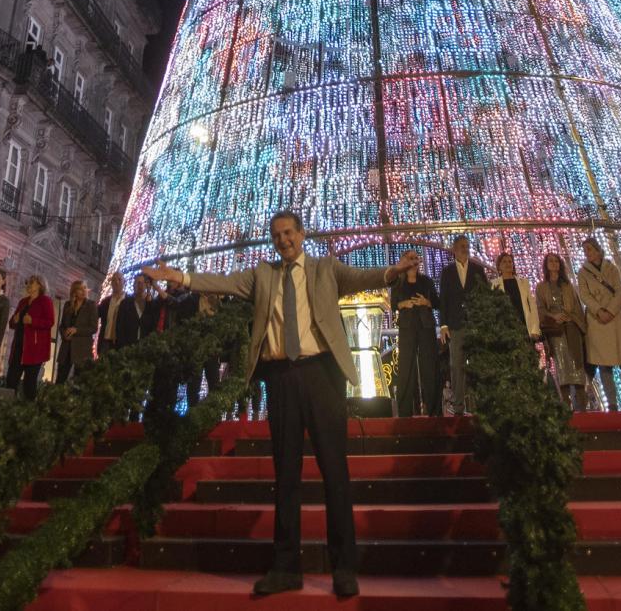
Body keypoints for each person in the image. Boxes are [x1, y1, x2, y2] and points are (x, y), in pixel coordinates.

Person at [143, 210, 419, 599]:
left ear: (302, 234)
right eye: (276, 235)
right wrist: (179, 277)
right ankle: (285, 566)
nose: (283, 240)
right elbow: (222, 282)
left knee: (333, 470)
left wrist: (395, 269)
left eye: (288, 233)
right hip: (281, 377)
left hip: (322, 374)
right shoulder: (262, 275)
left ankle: (343, 567)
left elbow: (363, 277)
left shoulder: (325, 269)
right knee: (285, 473)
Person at [578, 237, 621, 411]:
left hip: (615, 319)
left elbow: (620, 290)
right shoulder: (583, 272)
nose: (587, 253)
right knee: (604, 364)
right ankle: (612, 403)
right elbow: (584, 295)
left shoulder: (611, 268)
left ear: (598, 250)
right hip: (598, 321)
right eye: (585, 250)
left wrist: (611, 311)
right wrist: (598, 310)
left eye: (589, 249)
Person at [438, 234, 488, 416]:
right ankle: (459, 406)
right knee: (457, 365)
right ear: (454, 249)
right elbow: (443, 299)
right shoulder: (447, 271)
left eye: (467, 245)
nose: (465, 249)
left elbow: (485, 295)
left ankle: (480, 405)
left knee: (477, 365)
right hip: (455, 325)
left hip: (474, 323)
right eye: (461, 246)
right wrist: (443, 325)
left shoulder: (478, 269)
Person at [535, 252, 587, 410]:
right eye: (550, 261)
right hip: (556, 330)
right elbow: (540, 308)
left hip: (571, 327)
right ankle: (566, 404)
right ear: (546, 265)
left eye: (556, 261)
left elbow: (578, 307)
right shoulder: (541, 287)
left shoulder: (568, 285)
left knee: (576, 363)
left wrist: (570, 317)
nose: (554, 263)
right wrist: (554, 316)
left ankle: (582, 405)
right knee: (562, 365)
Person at [390, 255, 441, 417]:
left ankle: (433, 410)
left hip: (426, 326)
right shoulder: (398, 282)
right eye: (410, 258)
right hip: (407, 327)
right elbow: (392, 305)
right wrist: (403, 304)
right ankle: (405, 412)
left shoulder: (426, 281)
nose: (414, 261)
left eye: (416, 258)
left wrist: (427, 302)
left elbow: (438, 302)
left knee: (429, 367)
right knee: (406, 367)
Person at [8, 275, 55, 399]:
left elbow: (50, 322)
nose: (28, 285)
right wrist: (14, 320)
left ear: (40, 285)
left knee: (29, 383)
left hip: (34, 349)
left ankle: (29, 413)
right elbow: (12, 324)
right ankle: (7, 409)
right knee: (11, 381)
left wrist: (33, 321)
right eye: (28, 282)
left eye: (32, 283)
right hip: (19, 347)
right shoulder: (23, 302)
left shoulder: (46, 301)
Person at [491, 252, 541, 341]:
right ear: (499, 266)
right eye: (504, 262)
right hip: (506, 329)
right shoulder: (494, 284)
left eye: (510, 262)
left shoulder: (524, 282)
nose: (508, 264)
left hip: (525, 325)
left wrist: (535, 329)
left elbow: (532, 307)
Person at [56, 280, 99, 385]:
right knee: (60, 379)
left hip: (82, 349)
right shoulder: (67, 305)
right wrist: (64, 334)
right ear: (74, 292)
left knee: (79, 381)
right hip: (66, 347)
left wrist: (77, 330)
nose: (84, 291)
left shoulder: (91, 305)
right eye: (80, 289)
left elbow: (94, 328)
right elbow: (62, 326)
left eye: (85, 288)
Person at [115, 274, 159, 347]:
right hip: (127, 346)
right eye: (136, 283)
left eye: (141, 283)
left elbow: (154, 325)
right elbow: (119, 326)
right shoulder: (125, 303)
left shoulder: (152, 304)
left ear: (146, 285)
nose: (139, 286)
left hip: (145, 346)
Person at [97, 270, 125, 354]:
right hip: (105, 341)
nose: (116, 282)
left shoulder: (128, 301)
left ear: (124, 282)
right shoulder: (105, 302)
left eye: (119, 279)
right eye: (114, 280)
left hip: (120, 342)